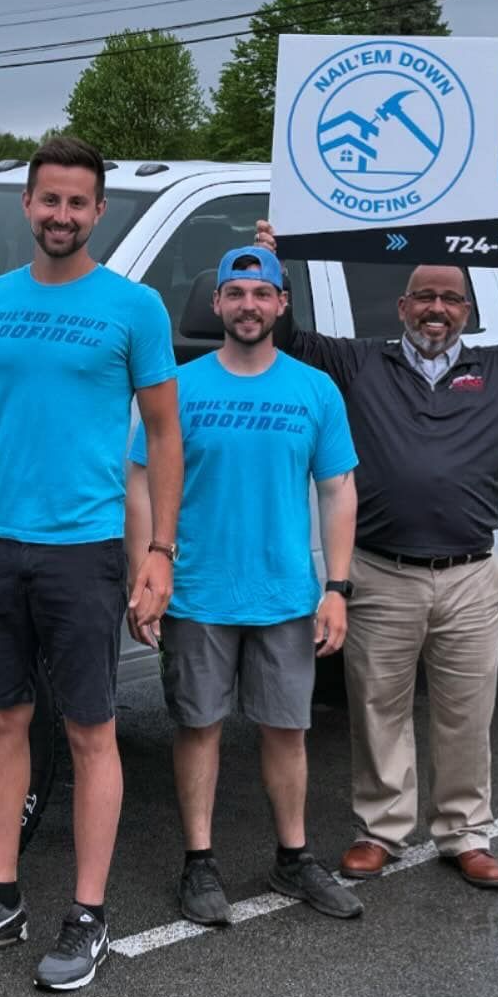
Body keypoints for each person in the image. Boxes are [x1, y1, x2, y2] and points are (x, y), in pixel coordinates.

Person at [255, 220, 498, 888]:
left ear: (468, 309)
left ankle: (464, 833)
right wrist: (271, 267)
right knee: (379, 709)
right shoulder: (360, 361)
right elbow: (289, 341)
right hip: (381, 571)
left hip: (468, 577)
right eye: (424, 296)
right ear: (402, 307)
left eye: (450, 299)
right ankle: (382, 830)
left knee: (465, 713)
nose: (436, 308)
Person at [0, 136, 182, 990]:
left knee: (89, 732)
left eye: (78, 203)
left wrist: (159, 551)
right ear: (27, 206)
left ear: (97, 212)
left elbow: (164, 435)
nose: (62, 215)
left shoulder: (134, 308)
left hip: (84, 551)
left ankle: (88, 915)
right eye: (50, 201)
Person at [126, 247, 362, 925]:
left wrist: (337, 586)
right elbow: (138, 479)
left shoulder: (314, 389)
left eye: (262, 293)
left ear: (281, 304)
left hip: (286, 594)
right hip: (198, 591)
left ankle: (293, 858)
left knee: (287, 731)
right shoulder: (180, 387)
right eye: (236, 293)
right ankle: (199, 865)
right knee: (197, 727)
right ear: (217, 305)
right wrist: (144, 568)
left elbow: (338, 488)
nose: (248, 305)